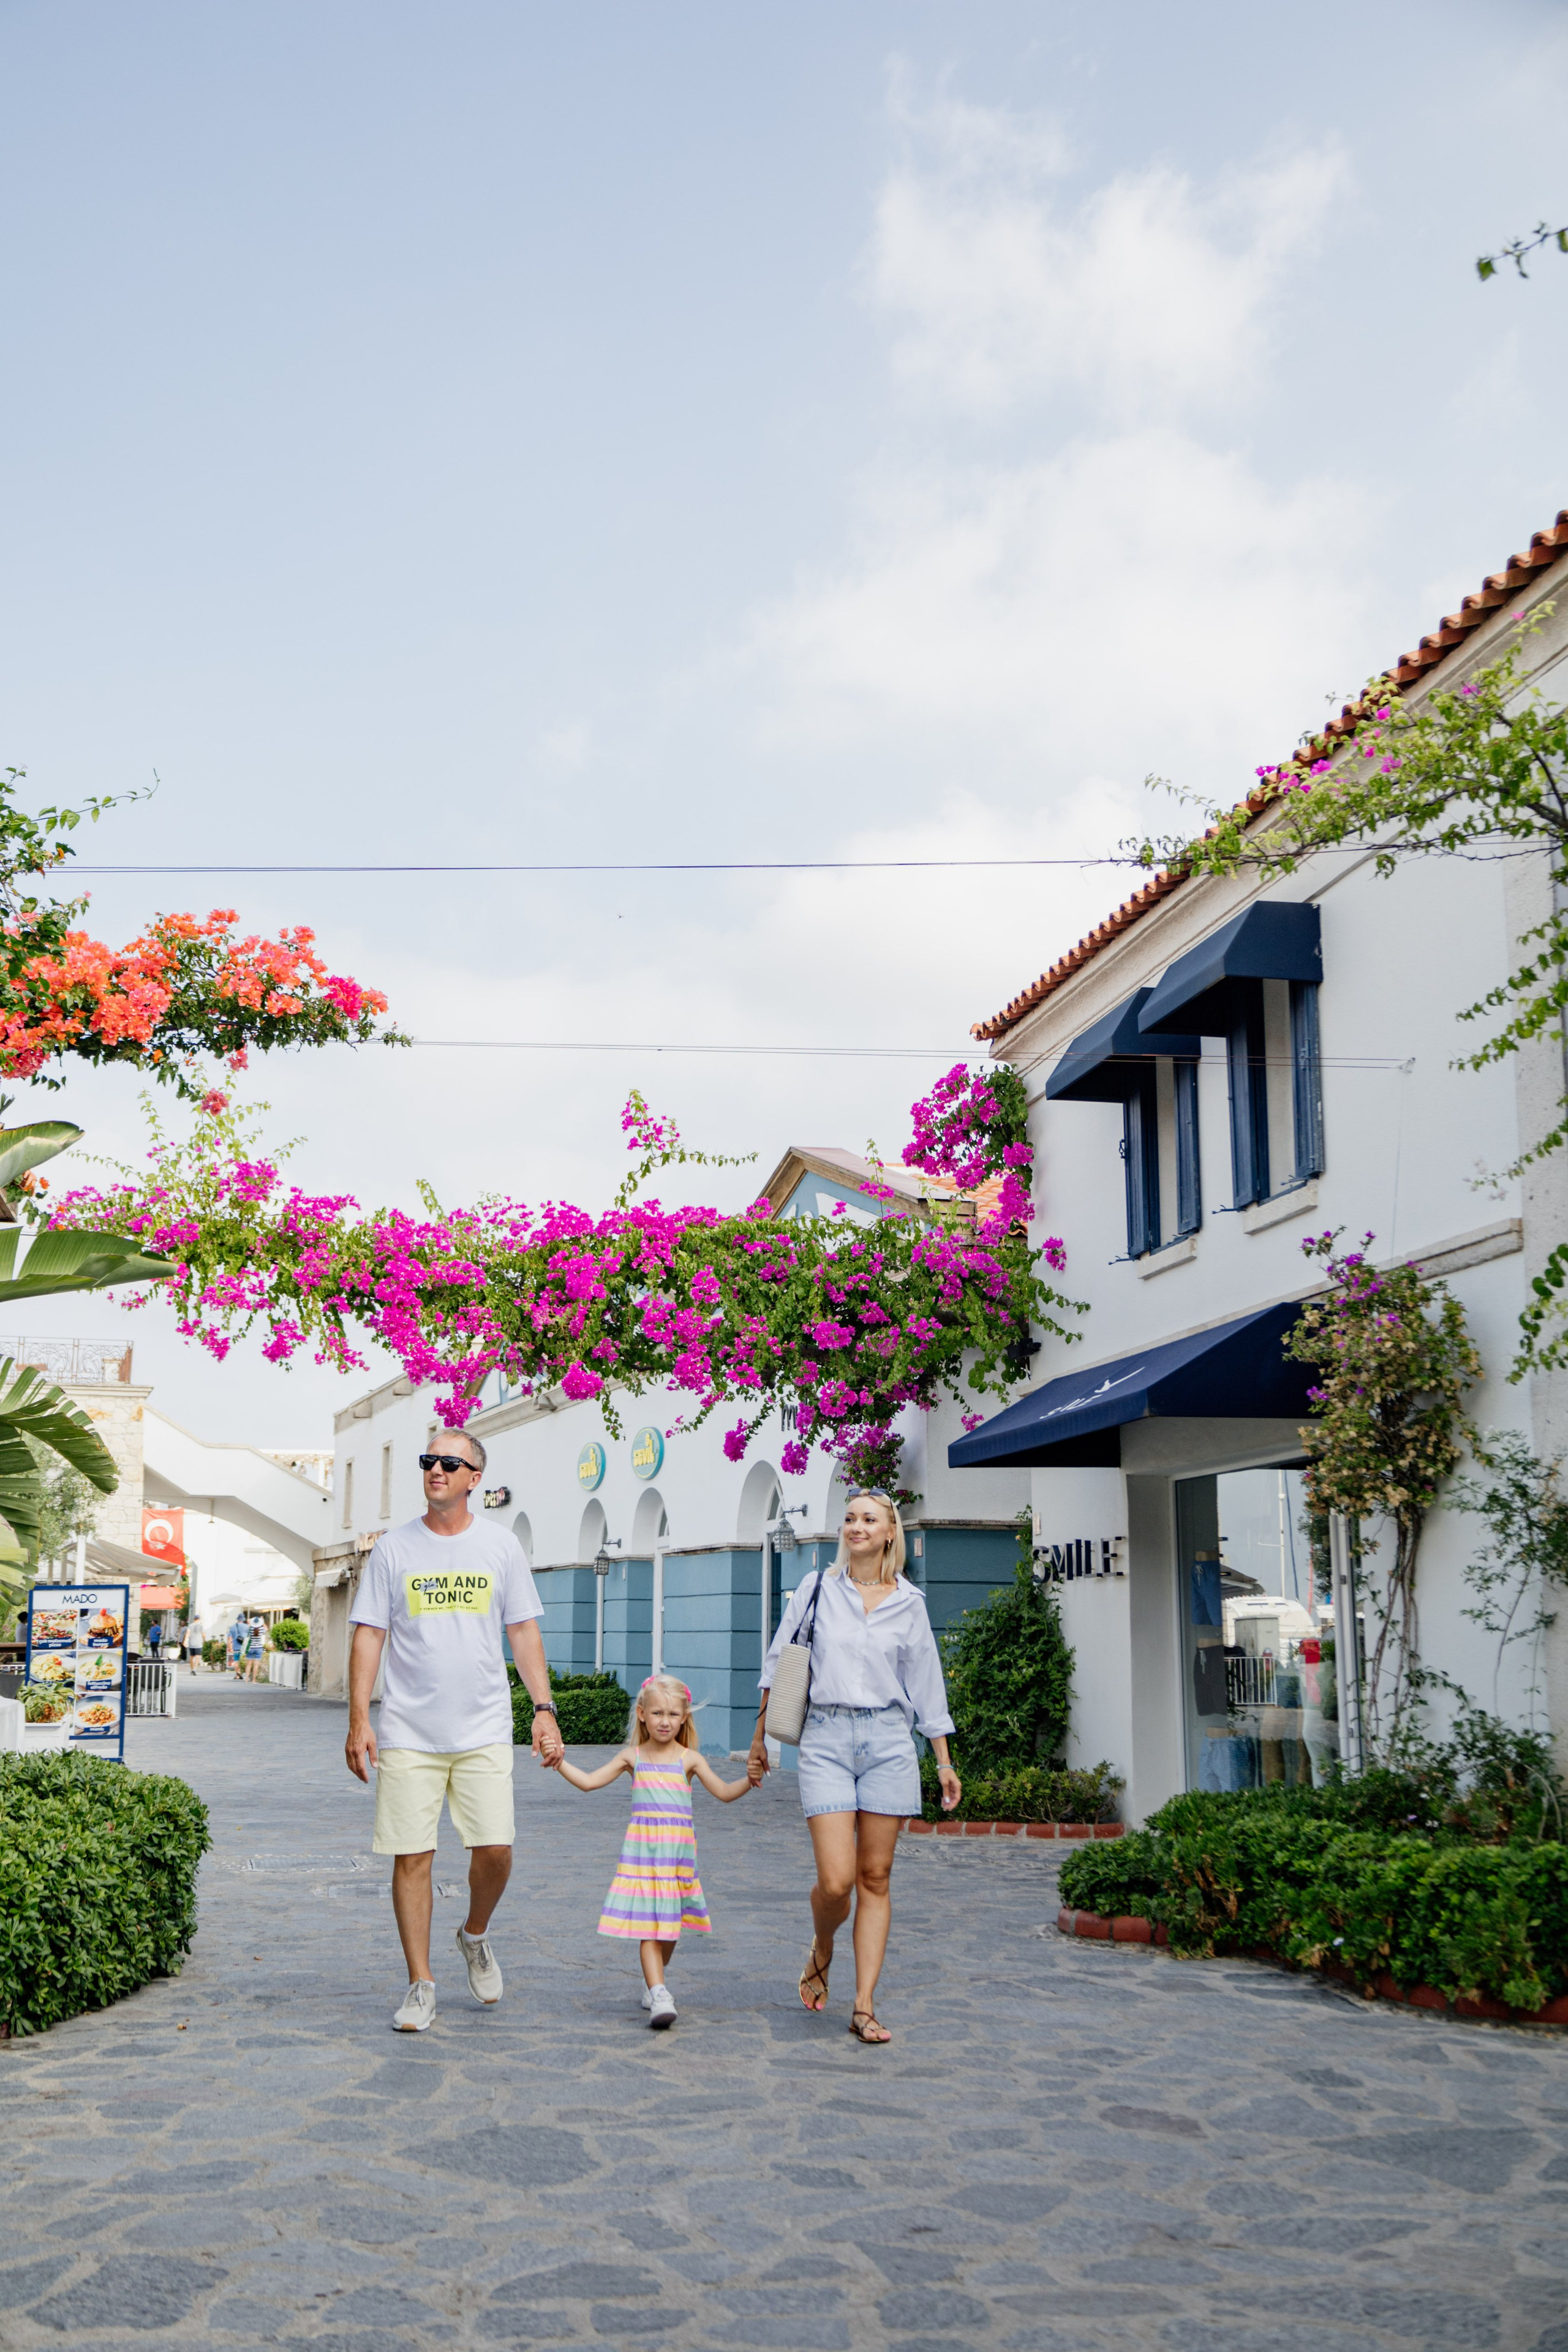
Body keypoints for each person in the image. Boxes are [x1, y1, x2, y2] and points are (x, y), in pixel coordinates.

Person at [345, 1430, 564, 2034]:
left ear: (475, 1478)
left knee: (495, 1849)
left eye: (449, 1463)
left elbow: (522, 1631)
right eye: (428, 1462)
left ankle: (474, 1934)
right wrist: (360, 1716)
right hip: (410, 1732)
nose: (436, 1470)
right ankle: (421, 1983)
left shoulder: (500, 1546)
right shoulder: (394, 1550)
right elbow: (368, 1633)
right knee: (412, 1857)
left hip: (485, 1727)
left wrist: (543, 1708)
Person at [749, 1487, 961, 2046]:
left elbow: (926, 1685)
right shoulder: (816, 1589)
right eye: (849, 1519)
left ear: (890, 1532)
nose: (856, 1527)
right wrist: (760, 1741)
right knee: (837, 1880)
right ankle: (824, 1944)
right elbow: (779, 1665)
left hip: (890, 1740)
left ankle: (864, 2004)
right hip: (825, 1736)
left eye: (869, 1519)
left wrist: (942, 1760)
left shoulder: (909, 1603)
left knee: (875, 1877)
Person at [549, 1673, 750, 2030]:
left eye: (673, 1715)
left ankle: (652, 1982)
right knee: (649, 1928)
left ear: (684, 1717)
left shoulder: (690, 1760)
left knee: (669, 1931)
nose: (665, 1721)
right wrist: (559, 1761)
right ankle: (659, 1992)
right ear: (642, 1714)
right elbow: (589, 1783)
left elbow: (723, 1792)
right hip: (643, 1861)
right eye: (658, 1713)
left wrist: (750, 1779)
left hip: (677, 1862)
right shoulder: (633, 1757)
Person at [228, 1613, 248, 1678]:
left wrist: (229, 1646)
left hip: (236, 1646)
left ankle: (238, 1674)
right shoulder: (246, 1626)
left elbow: (229, 1638)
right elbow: (249, 1636)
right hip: (244, 1647)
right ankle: (242, 1672)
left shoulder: (232, 1627)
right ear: (243, 1619)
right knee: (243, 1660)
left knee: (236, 1660)